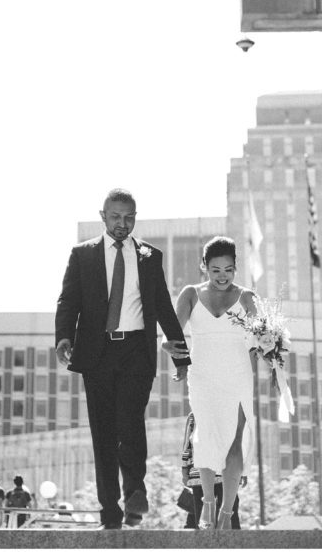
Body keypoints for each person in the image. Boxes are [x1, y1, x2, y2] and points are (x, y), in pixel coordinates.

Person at [55, 189, 191, 529]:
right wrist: (63, 336)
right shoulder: (82, 255)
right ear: (103, 216)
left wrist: (181, 355)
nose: (122, 223)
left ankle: (135, 494)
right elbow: (68, 300)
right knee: (103, 434)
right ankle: (110, 513)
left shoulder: (149, 256)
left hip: (135, 352)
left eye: (129, 217)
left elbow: (161, 304)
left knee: (130, 423)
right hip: (97, 353)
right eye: (115, 217)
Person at [173, 237, 256, 530]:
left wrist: (273, 352)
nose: (222, 276)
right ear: (204, 266)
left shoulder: (248, 297)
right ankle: (208, 501)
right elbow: (172, 335)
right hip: (203, 374)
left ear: (236, 268)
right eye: (216, 269)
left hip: (238, 375)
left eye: (229, 270)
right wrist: (176, 357)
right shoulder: (191, 294)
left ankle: (227, 511)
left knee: (235, 441)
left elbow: (260, 340)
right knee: (205, 436)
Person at [180, 412, 241, 529]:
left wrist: (185, 470)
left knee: (204, 519)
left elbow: (187, 444)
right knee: (228, 517)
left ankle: (209, 543)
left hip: (203, 475)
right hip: (220, 474)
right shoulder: (227, 411)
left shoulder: (197, 412)